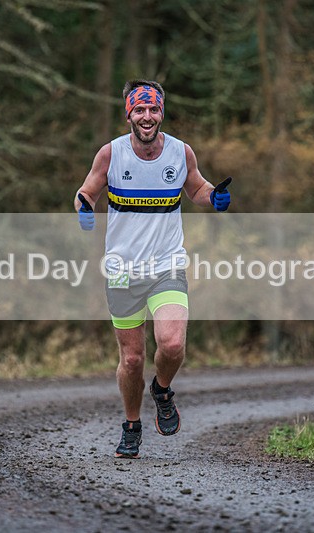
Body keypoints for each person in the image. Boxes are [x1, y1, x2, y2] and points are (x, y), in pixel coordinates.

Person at [74, 79, 231, 458]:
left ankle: (161, 389)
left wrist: (214, 196)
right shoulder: (110, 155)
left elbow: (195, 188)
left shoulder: (180, 152)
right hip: (124, 269)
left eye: (153, 110)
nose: (147, 117)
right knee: (131, 359)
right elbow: (87, 192)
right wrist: (83, 209)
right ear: (128, 113)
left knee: (173, 344)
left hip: (167, 264)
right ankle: (131, 425)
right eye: (140, 110)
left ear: (162, 112)